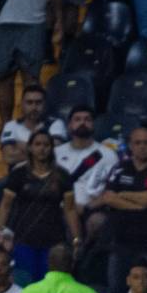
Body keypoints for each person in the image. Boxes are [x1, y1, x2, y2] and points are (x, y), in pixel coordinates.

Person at [95, 126, 147, 293]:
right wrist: (138, 205)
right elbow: (108, 197)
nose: (142, 146)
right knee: (117, 292)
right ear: (130, 145)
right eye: (138, 143)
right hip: (121, 241)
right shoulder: (119, 168)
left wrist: (123, 194)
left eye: (146, 143)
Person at [0, 130, 79, 282]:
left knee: (50, 281)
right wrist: (0, 232)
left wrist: (76, 238)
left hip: (53, 240)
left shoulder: (62, 176)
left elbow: (70, 209)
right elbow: (5, 205)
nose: (42, 149)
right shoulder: (19, 174)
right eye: (38, 144)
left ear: (52, 148)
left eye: (46, 145)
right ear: (30, 147)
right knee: (24, 281)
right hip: (24, 239)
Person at [0, 0, 62, 126]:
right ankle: (7, 128)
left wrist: (59, 20)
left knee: (31, 77)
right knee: (4, 77)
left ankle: (32, 126)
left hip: (33, 20)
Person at [54, 106, 117, 250]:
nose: (82, 123)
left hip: (93, 208)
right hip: (60, 206)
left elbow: (112, 189)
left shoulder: (108, 155)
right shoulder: (56, 153)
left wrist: (89, 206)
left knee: (98, 222)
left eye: (87, 119)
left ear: (93, 124)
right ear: (69, 125)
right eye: (77, 119)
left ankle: (83, 253)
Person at [0, 85, 69, 168]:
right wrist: (42, 151)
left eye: (38, 103)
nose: (34, 107)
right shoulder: (11, 125)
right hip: (19, 175)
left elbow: (56, 152)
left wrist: (19, 145)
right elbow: (9, 157)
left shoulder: (56, 124)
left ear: (45, 104)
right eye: (29, 102)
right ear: (22, 104)